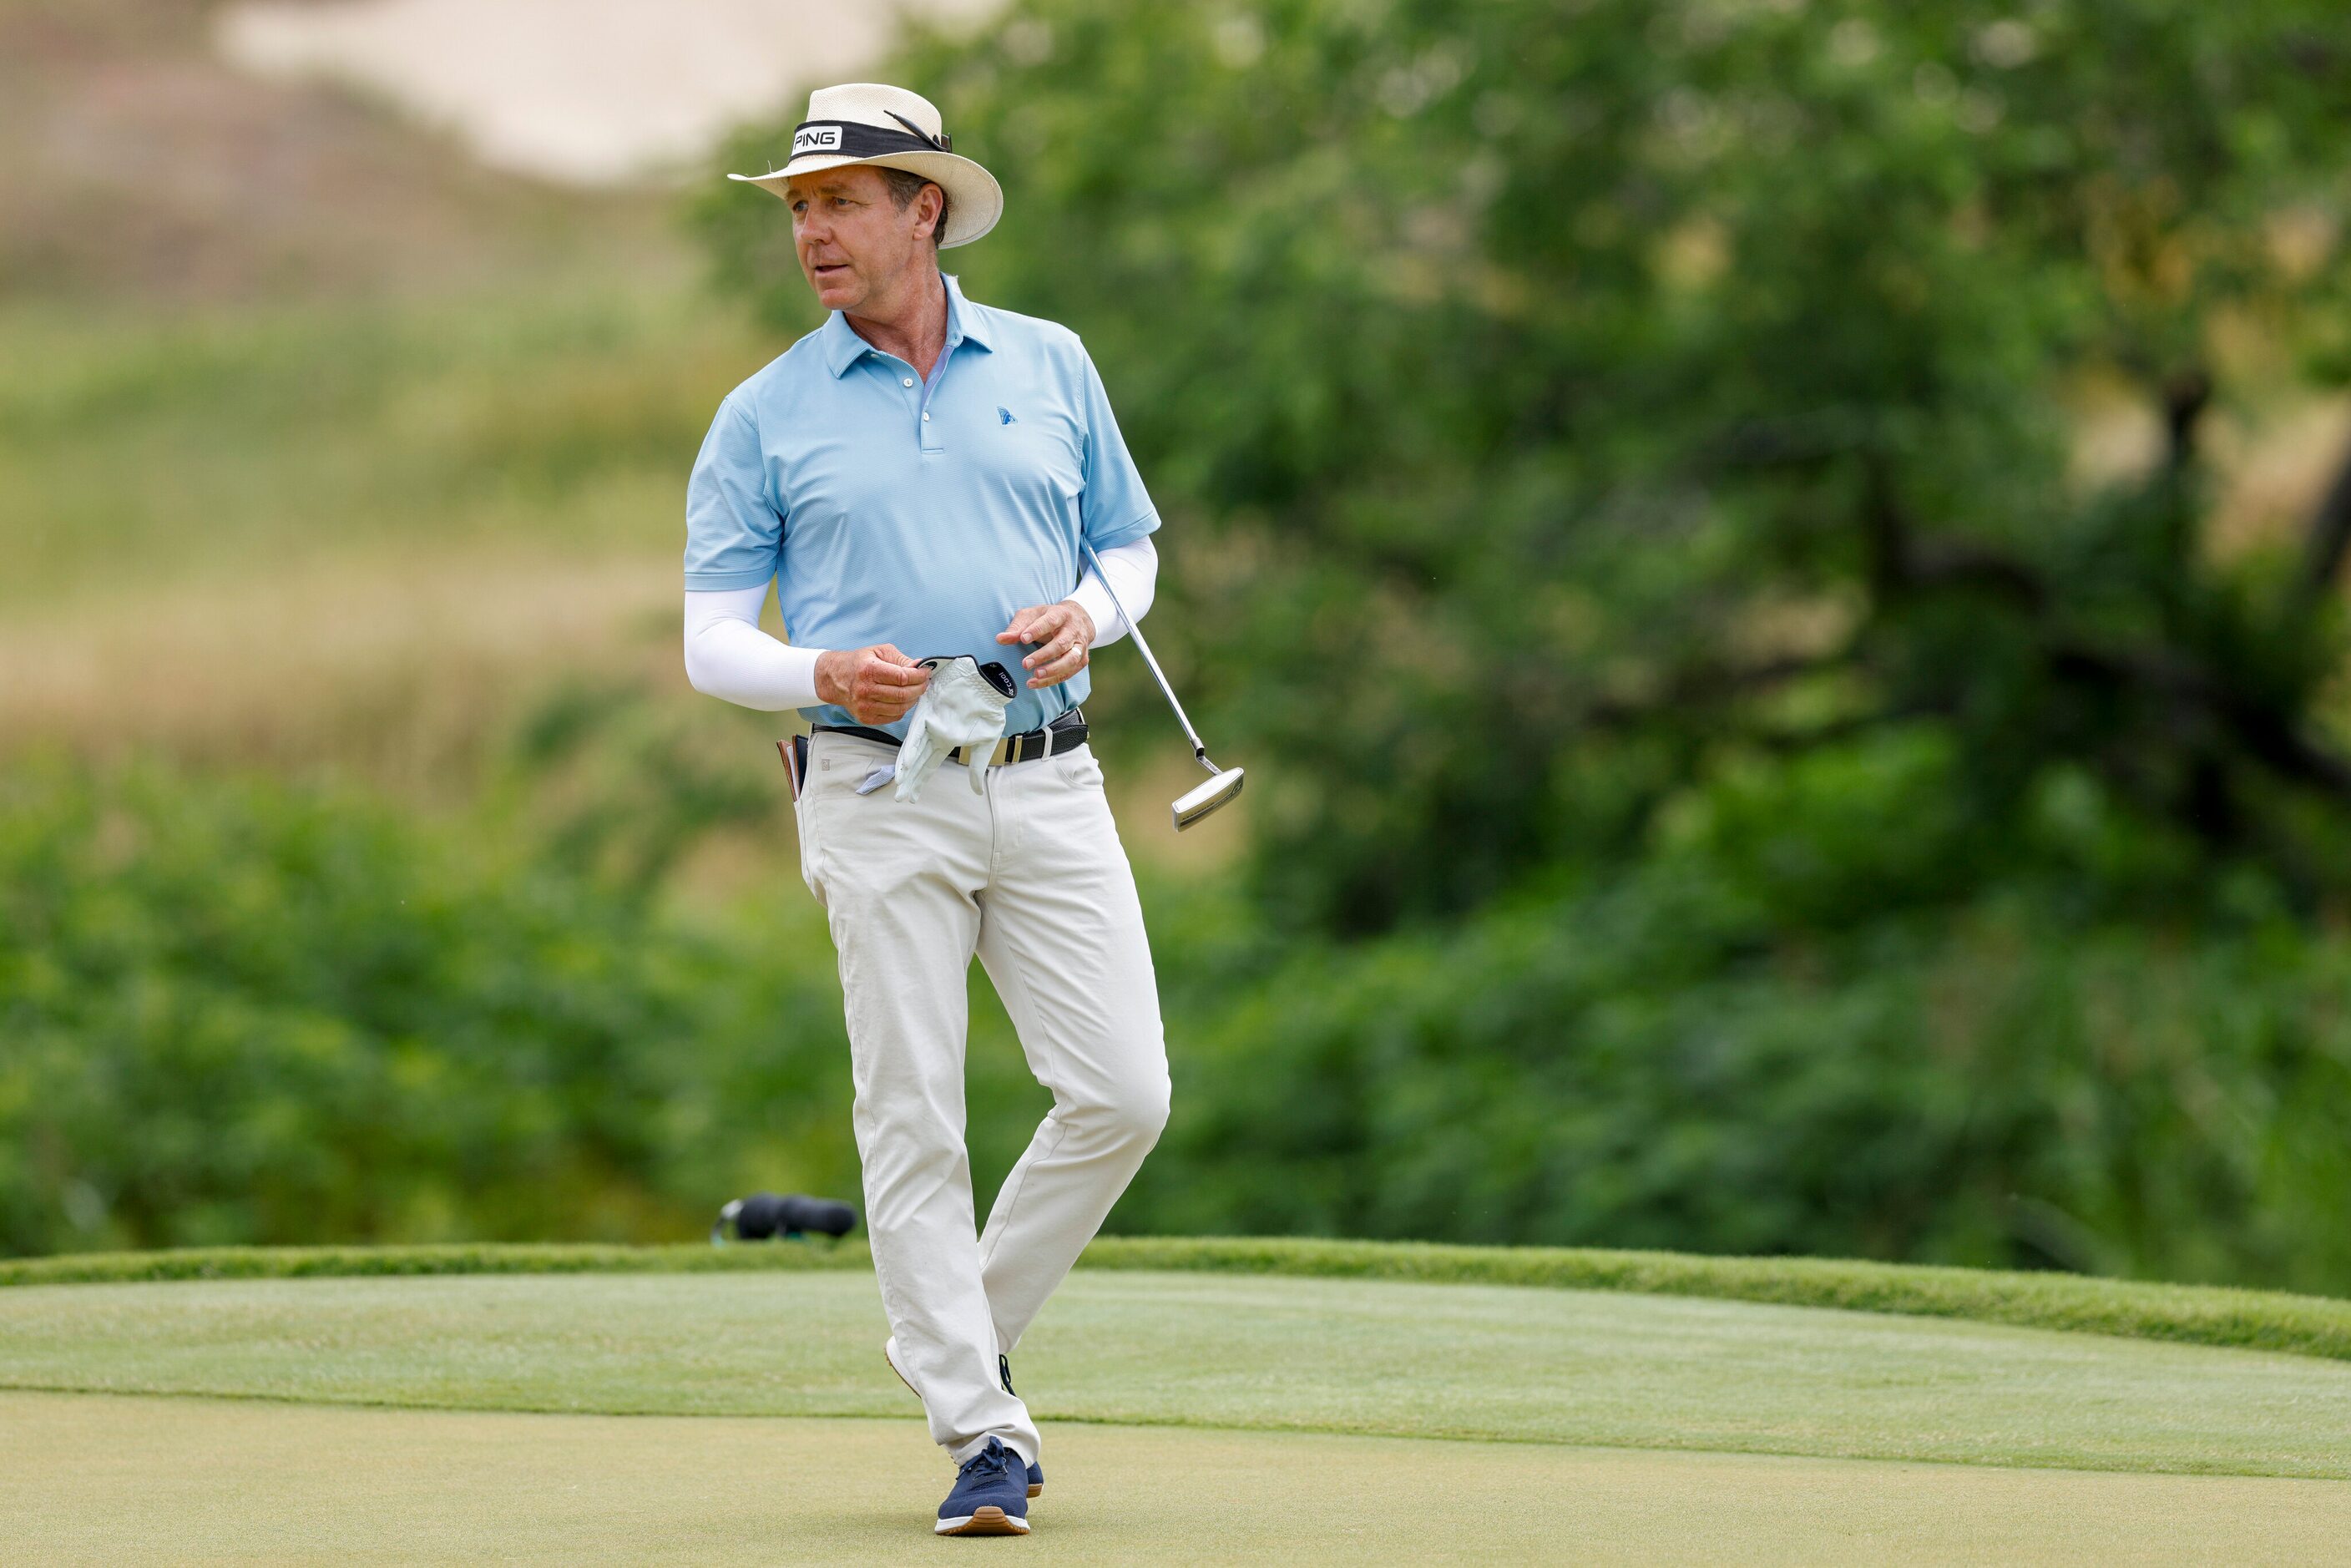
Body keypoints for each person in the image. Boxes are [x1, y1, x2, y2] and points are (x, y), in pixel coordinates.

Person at [680, 82, 1170, 1539]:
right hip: (875, 788)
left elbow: (1132, 554)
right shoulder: (764, 413)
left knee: (1125, 1091)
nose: (814, 232)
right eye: (800, 209)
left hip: (1050, 770)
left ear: (925, 211)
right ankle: (983, 1431)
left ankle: (951, 1330)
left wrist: (1088, 615)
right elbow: (713, 642)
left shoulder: (1051, 360)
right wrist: (818, 665)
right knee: (915, 1116)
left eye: (840, 203)